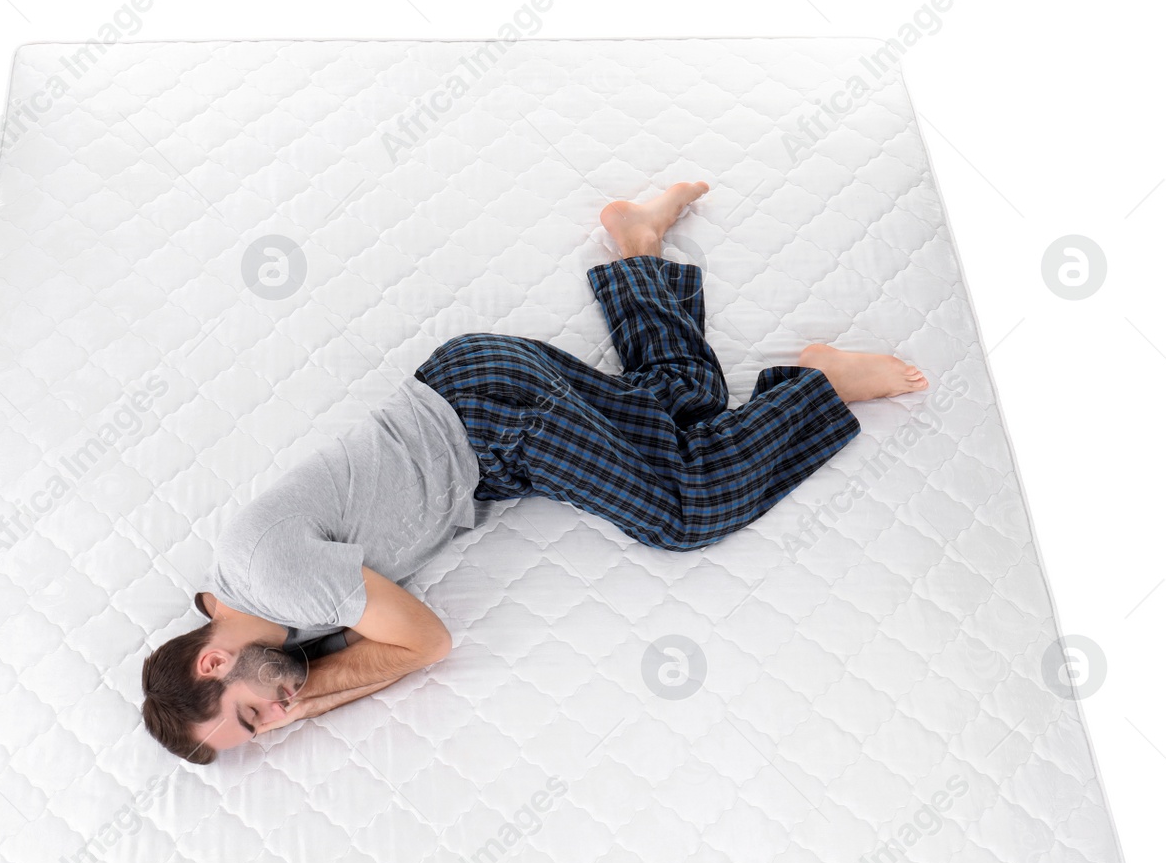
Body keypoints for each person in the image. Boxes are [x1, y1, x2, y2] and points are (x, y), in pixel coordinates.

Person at [141, 181, 927, 764]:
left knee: (686, 510)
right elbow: (376, 645)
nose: (278, 718)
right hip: (481, 420)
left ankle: (822, 383)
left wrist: (309, 703)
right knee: (684, 418)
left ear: (214, 659)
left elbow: (426, 643)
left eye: (252, 717)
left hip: (493, 419)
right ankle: (638, 246)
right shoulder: (254, 607)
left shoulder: (277, 584)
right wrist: (293, 689)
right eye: (263, 730)